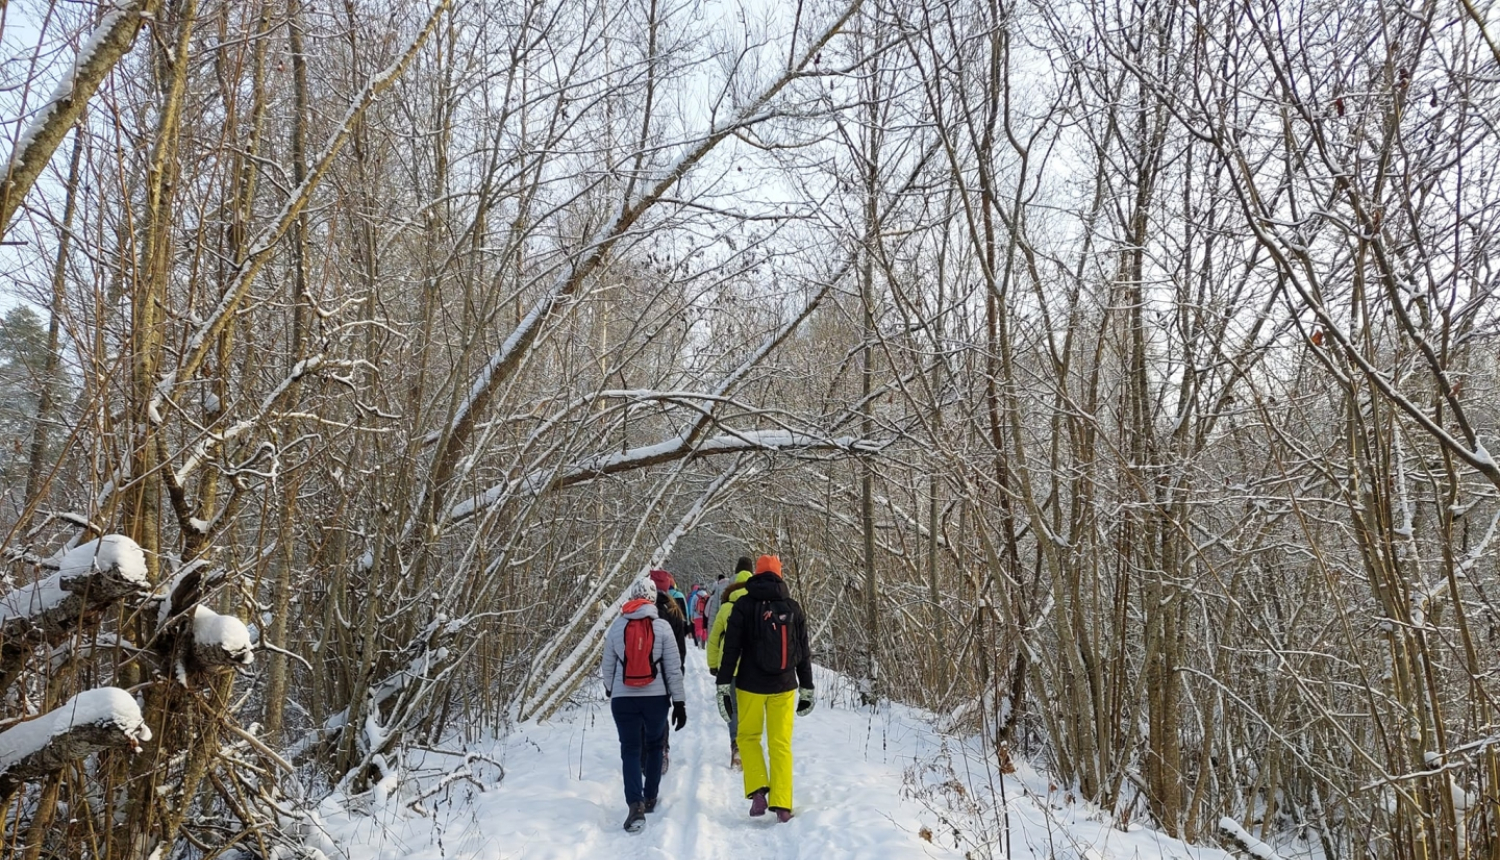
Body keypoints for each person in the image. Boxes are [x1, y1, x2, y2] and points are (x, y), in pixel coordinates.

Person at [715, 554, 814, 823]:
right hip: (784, 686)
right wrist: (807, 687)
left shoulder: (744, 606)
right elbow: (803, 652)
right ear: (780, 575)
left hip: (749, 685)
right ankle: (783, 804)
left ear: (756, 575)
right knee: (780, 743)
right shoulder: (792, 607)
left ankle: (759, 790)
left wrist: (723, 683)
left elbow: (731, 650)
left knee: (748, 737)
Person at [601, 577, 686, 833]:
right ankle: (650, 796)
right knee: (654, 744)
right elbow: (673, 669)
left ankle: (635, 804)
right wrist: (679, 702)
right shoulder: (662, 627)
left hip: (623, 698)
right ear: (651, 599)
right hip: (656, 699)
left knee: (629, 749)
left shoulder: (616, 627)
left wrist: (610, 688)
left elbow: (607, 666)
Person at [705, 561, 753, 768]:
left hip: (730, 665)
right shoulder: (758, 603)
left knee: (732, 706)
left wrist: (713, 664)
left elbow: (714, 638)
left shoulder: (726, 606)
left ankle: (736, 745)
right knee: (749, 706)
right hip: (754, 667)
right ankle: (749, 744)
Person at [648, 568, 688, 773]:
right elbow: (680, 647)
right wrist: (679, 671)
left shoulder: (641, 609)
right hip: (665, 671)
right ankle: (663, 749)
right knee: (661, 713)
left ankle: (645, 751)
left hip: (643, 670)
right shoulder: (673, 610)